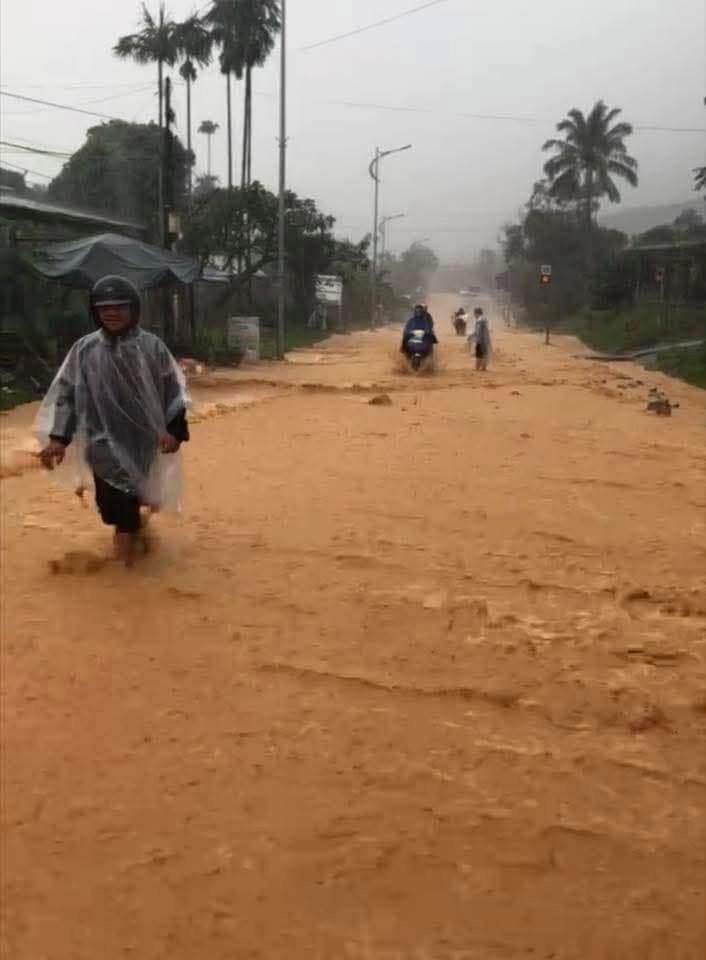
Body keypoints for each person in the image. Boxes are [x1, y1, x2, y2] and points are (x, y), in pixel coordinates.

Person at [37, 275, 189, 565]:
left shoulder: (152, 347)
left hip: (142, 440)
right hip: (100, 441)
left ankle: (125, 568)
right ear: (95, 312)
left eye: (120, 306)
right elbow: (67, 394)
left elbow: (174, 392)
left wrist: (174, 430)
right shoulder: (85, 349)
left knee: (132, 499)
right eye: (105, 308)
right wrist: (58, 438)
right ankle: (127, 560)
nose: (112, 313)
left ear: (134, 309)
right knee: (114, 504)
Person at [468, 306, 492, 370]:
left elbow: (478, 331)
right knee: (485, 354)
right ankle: (483, 367)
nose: (474, 315)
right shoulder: (484, 319)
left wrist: (472, 336)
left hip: (481, 340)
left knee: (479, 355)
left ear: (477, 313)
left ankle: (477, 368)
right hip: (486, 340)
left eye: (474, 313)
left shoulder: (479, 320)